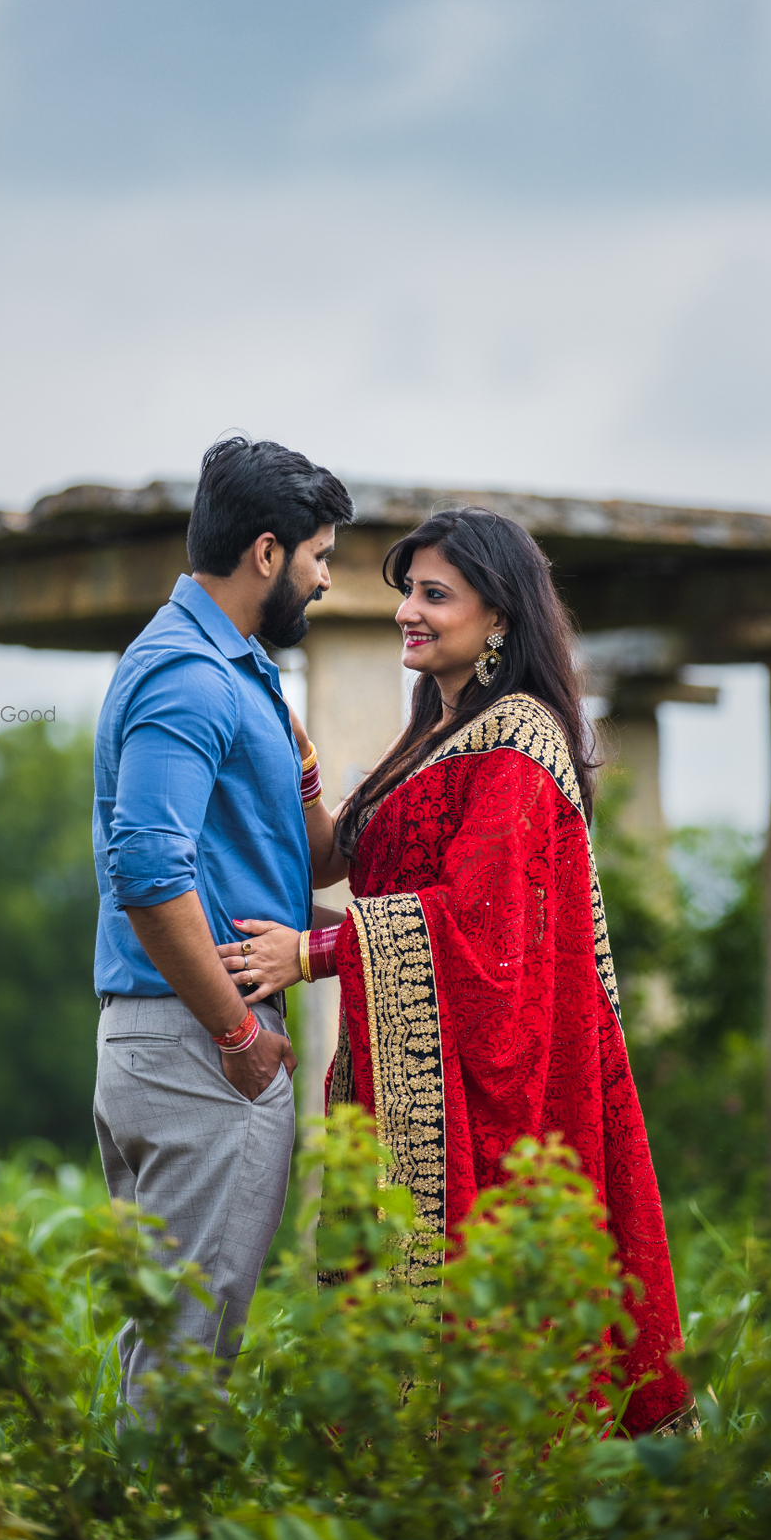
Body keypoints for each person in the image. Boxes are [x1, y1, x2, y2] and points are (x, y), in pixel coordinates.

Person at [220, 506, 693, 1437]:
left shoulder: (519, 739)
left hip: (490, 1090)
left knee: (483, 1372)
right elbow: (363, 873)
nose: (409, 611)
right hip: (406, 1076)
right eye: (407, 592)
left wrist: (311, 953)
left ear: (501, 617)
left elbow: (486, 927)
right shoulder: (434, 735)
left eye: (435, 594)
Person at [92, 436, 354, 1405]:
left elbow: (303, 863)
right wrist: (239, 1032)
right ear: (266, 552)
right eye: (321, 555)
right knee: (186, 1364)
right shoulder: (187, 676)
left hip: (176, 1040)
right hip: (198, 1044)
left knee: (171, 1345)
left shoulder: (236, 669)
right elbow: (150, 874)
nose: (325, 580)